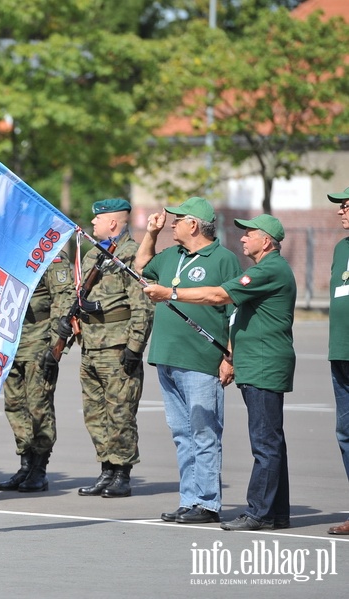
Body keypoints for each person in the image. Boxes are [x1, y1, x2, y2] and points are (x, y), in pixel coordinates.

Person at [143, 213, 296, 531]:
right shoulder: (263, 268)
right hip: (255, 363)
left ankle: (258, 512)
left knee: (264, 442)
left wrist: (170, 293)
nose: (242, 238)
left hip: (263, 362)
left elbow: (219, 297)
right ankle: (274, 512)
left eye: (249, 234)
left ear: (265, 241)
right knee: (267, 442)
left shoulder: (269, 269)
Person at [134, 196, 241, 524]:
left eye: (178, 219)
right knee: (182, 433)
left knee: (204, 432)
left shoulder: (223, 259)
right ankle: (190, 499)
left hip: (201, 359)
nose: (172, 223)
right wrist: (151, 234)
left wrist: (230, 357)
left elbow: (235, 312)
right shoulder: (171, 255)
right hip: (166, 356)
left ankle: (208, 503)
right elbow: (141, 266)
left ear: (193, 224)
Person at [73, 198, 153, 498]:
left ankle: (122, 472)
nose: (93, 223)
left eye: (98, 218)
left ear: (114, 222)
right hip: (91, 345)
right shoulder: (94, 254)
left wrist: (134, 347)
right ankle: (106, 469)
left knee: (120, 413)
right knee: (95, 413)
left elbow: (142, 305)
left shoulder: (132, 255)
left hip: (117, 346)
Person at [0, 248, 73, 493]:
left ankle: (39, 468)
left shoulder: (51, 255)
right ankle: (25, 464)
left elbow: (63, 299)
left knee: (38, 405)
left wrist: (54, 345)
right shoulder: (9, 250)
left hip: (38, 338)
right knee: (15, 405)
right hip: (9, 339)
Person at [324, 186, 349, 536]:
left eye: (346, 206)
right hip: (340, 353)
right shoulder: (341, 248)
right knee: (345, 434)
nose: (341, 211)